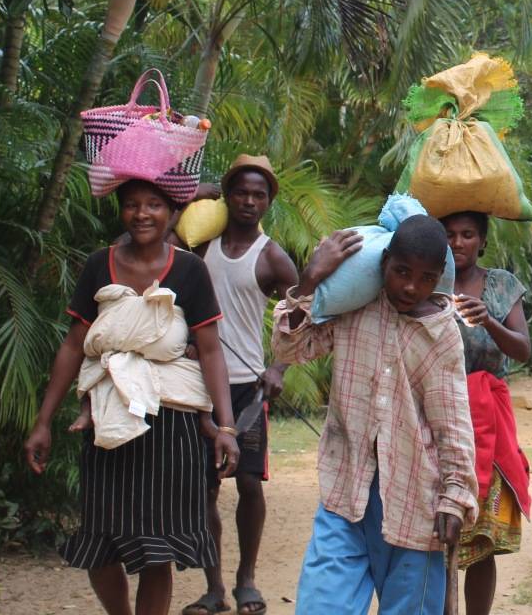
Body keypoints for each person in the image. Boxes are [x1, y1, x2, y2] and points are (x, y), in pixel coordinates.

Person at [24, 179, 242, 615]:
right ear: (120, 211)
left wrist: (226, 426)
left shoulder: (188, 270)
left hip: (171, 424)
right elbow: (74, 345)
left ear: (172, 212)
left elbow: (211, 350)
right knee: (101, 540)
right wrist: (43, 420)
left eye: (154, 205)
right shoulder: (98, 266)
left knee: (157, 546)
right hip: (110, 417)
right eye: (132, 205)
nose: (142, 214)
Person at [271, 216, 475, 615]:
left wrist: (455, 496)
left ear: (438, 279)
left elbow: (453, 425)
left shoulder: (441, 334)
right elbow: (289, 350)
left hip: (416, 504)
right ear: (383, 264)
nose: (411, 286)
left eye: (425, 277)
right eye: (401, 271)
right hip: (346, 489)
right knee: (321, 606)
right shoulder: (355, 310)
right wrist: (310, 278)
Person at [183, 156, 299, 615]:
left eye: (259, 195)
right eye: (240, 193)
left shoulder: (271, 255)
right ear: (227, 197)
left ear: (269, 203)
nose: (250, 201)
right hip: (196, 386)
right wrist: (205, 189)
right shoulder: (201, 245)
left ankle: (246, 580)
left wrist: (280, 368)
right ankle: (213, 589)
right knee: (204, 488)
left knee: (249, 484)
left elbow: (305, 312)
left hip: (248, 387)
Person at [439, 211, 532, 615]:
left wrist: (488, 321)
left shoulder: (501, 284)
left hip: (487, 418)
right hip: (437, 414)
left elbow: (523, 350)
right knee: (440, 532)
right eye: (449, 235)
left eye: (467, 234)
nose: (458, 242)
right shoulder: (427, 281)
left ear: (482, 240)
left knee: (482, 541)